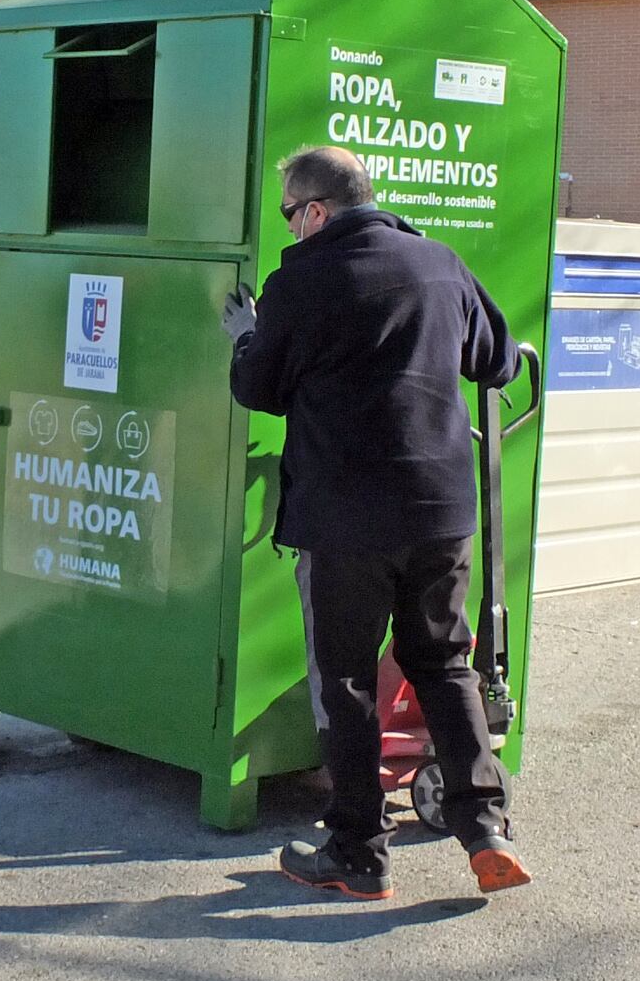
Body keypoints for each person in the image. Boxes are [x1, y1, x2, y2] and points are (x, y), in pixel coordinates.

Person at [222, 145, 530, 898]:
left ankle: (358, 851)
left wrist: (244, 333)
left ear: (316, 211)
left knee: (348, 679)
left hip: (345, 520)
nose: (290, 229)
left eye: (290, 215)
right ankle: (484, 826)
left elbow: (257, 388)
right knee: (443, 663)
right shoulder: (440, 263)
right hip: (442, 513)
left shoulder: (300, 280)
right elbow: (499, 365)